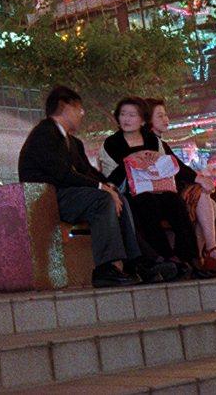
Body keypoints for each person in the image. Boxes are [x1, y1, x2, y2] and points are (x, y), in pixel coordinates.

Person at [19, 85, 179, 288]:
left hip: (72, 195)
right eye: (80, 109)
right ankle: (106, 268)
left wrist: (109, 186)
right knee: (102, 200)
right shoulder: (45, 133)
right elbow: (62, 174)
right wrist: (101, 189)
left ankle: (136, 262)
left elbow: (87, 171)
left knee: (117, 197)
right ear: (66, 107)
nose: (82, 115)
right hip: (48, 199)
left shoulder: (73, 142)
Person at [103, 98, 199, 276]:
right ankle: (164, 256)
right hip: (131, 193)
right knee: (146, 203)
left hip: (158, 188)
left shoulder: (153, 140)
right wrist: (131, 162)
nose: (126, 119)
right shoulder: (111, 143)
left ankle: (189, 257)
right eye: (123, 114)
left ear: (142, 119)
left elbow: (164, 166)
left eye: (132, 115)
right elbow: (110, 178)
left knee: (175, 202)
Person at [147, 99, 216, 274]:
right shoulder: (149, 142)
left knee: (212, 207)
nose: (166, 119)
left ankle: (202, 258)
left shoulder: (160, 143)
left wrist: (199, 177)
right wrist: (199, 179)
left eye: (165, 114)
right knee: (202, 194)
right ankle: (211, 250)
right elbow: (175, 168)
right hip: (162, 196)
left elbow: (177, 166)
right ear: (147, 119)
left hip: (171, 193)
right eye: (160, 115)